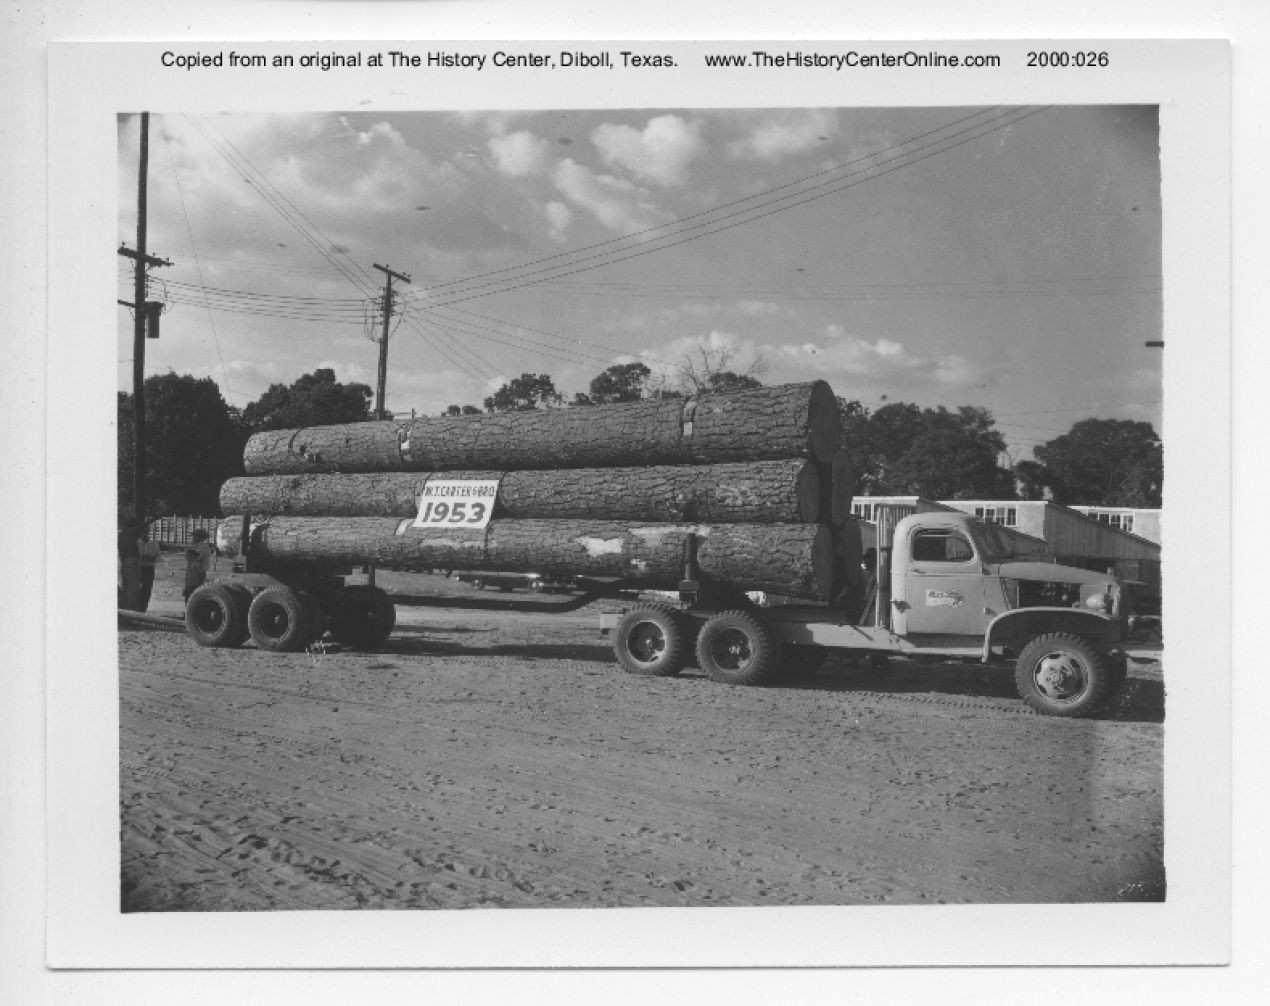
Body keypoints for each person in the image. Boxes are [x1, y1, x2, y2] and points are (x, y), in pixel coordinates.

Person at [118, 516, 143, 611]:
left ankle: (128, 609)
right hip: (130, 562)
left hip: (129, 562)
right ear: (130, 527)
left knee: (129, 587)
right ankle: (130, 610)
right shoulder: (125, 535)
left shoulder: (124, 535)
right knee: (132, 588)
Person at [183, 528, 213, 604]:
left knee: (193, 593)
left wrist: (188, 554)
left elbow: (193, 557)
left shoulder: (203, 547)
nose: (193, 538)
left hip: (197, 572)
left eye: (195, 536)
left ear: (200, 537)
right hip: (193, 571)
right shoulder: (198, 546)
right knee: (189, 592)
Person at [137, 525, 161, 612]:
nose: (145, 534)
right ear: (140, 533)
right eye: (143, 532)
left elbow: (159, 557)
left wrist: (152, 558)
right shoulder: (137, 543)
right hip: (139, 569)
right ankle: (137, 608)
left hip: (149, 569)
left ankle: (143, 609)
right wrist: (142, 557)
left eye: (147, 532)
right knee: (137, 589)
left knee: (146, 590)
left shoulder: (154, 544)